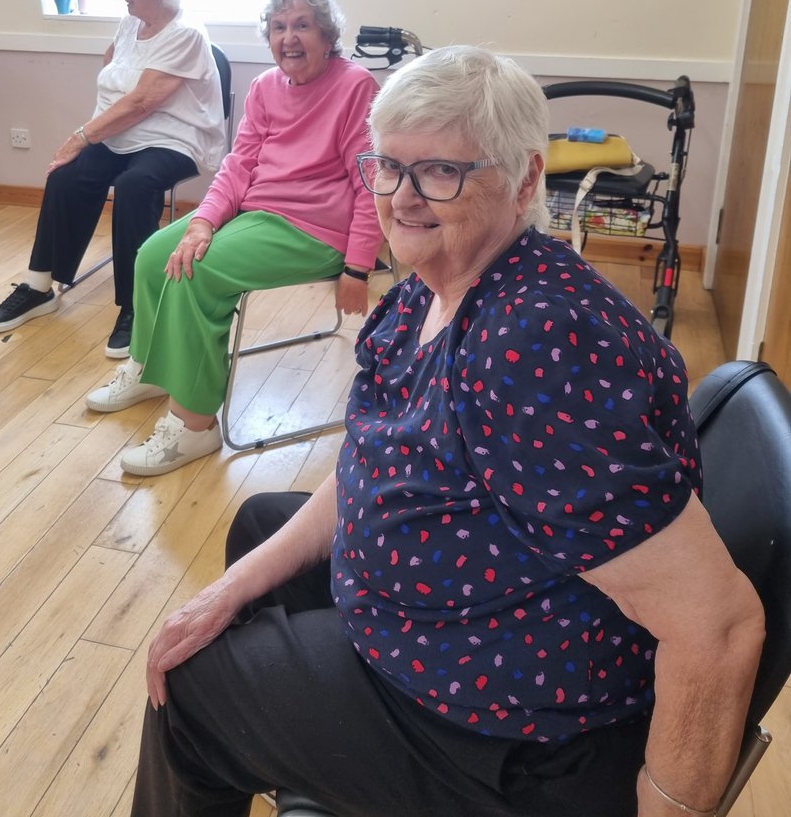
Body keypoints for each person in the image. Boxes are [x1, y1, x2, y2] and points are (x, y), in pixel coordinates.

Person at [126, 46, 764, 817]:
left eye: (441, 172)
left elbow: (720, 627)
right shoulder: (430, 290)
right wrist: (225, 594)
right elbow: (372, 458)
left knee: (189, 695)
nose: (401, 197)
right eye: (386, 167)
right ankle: (313, 771)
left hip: (513, 732)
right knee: (261, 529)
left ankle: (275, 750)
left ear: (526, 178)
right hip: (456, 623)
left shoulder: (533, 349)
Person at [86, 0, 384, 476]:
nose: (289, 37)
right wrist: (203, 221)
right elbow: (238, 164)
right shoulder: (265, 87)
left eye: (302, 25)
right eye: (279, 27)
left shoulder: (355, 86)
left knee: (195, 273)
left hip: (316, 227)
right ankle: (150, 366)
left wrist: (358, 264)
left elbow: (372, 178)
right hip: (256, 212)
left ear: (327, 36)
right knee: (153, 254)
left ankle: (194, 426)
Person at [0, 0, 225, 357]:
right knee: (66, 175)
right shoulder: (131, 23)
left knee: (134, 185)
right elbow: (113, 68)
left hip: (175, 138)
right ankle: (39, 286)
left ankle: (137, 307)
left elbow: (142, 102)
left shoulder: (186, 33)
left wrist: (81, 135)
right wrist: (90, 137)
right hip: (122, 134)